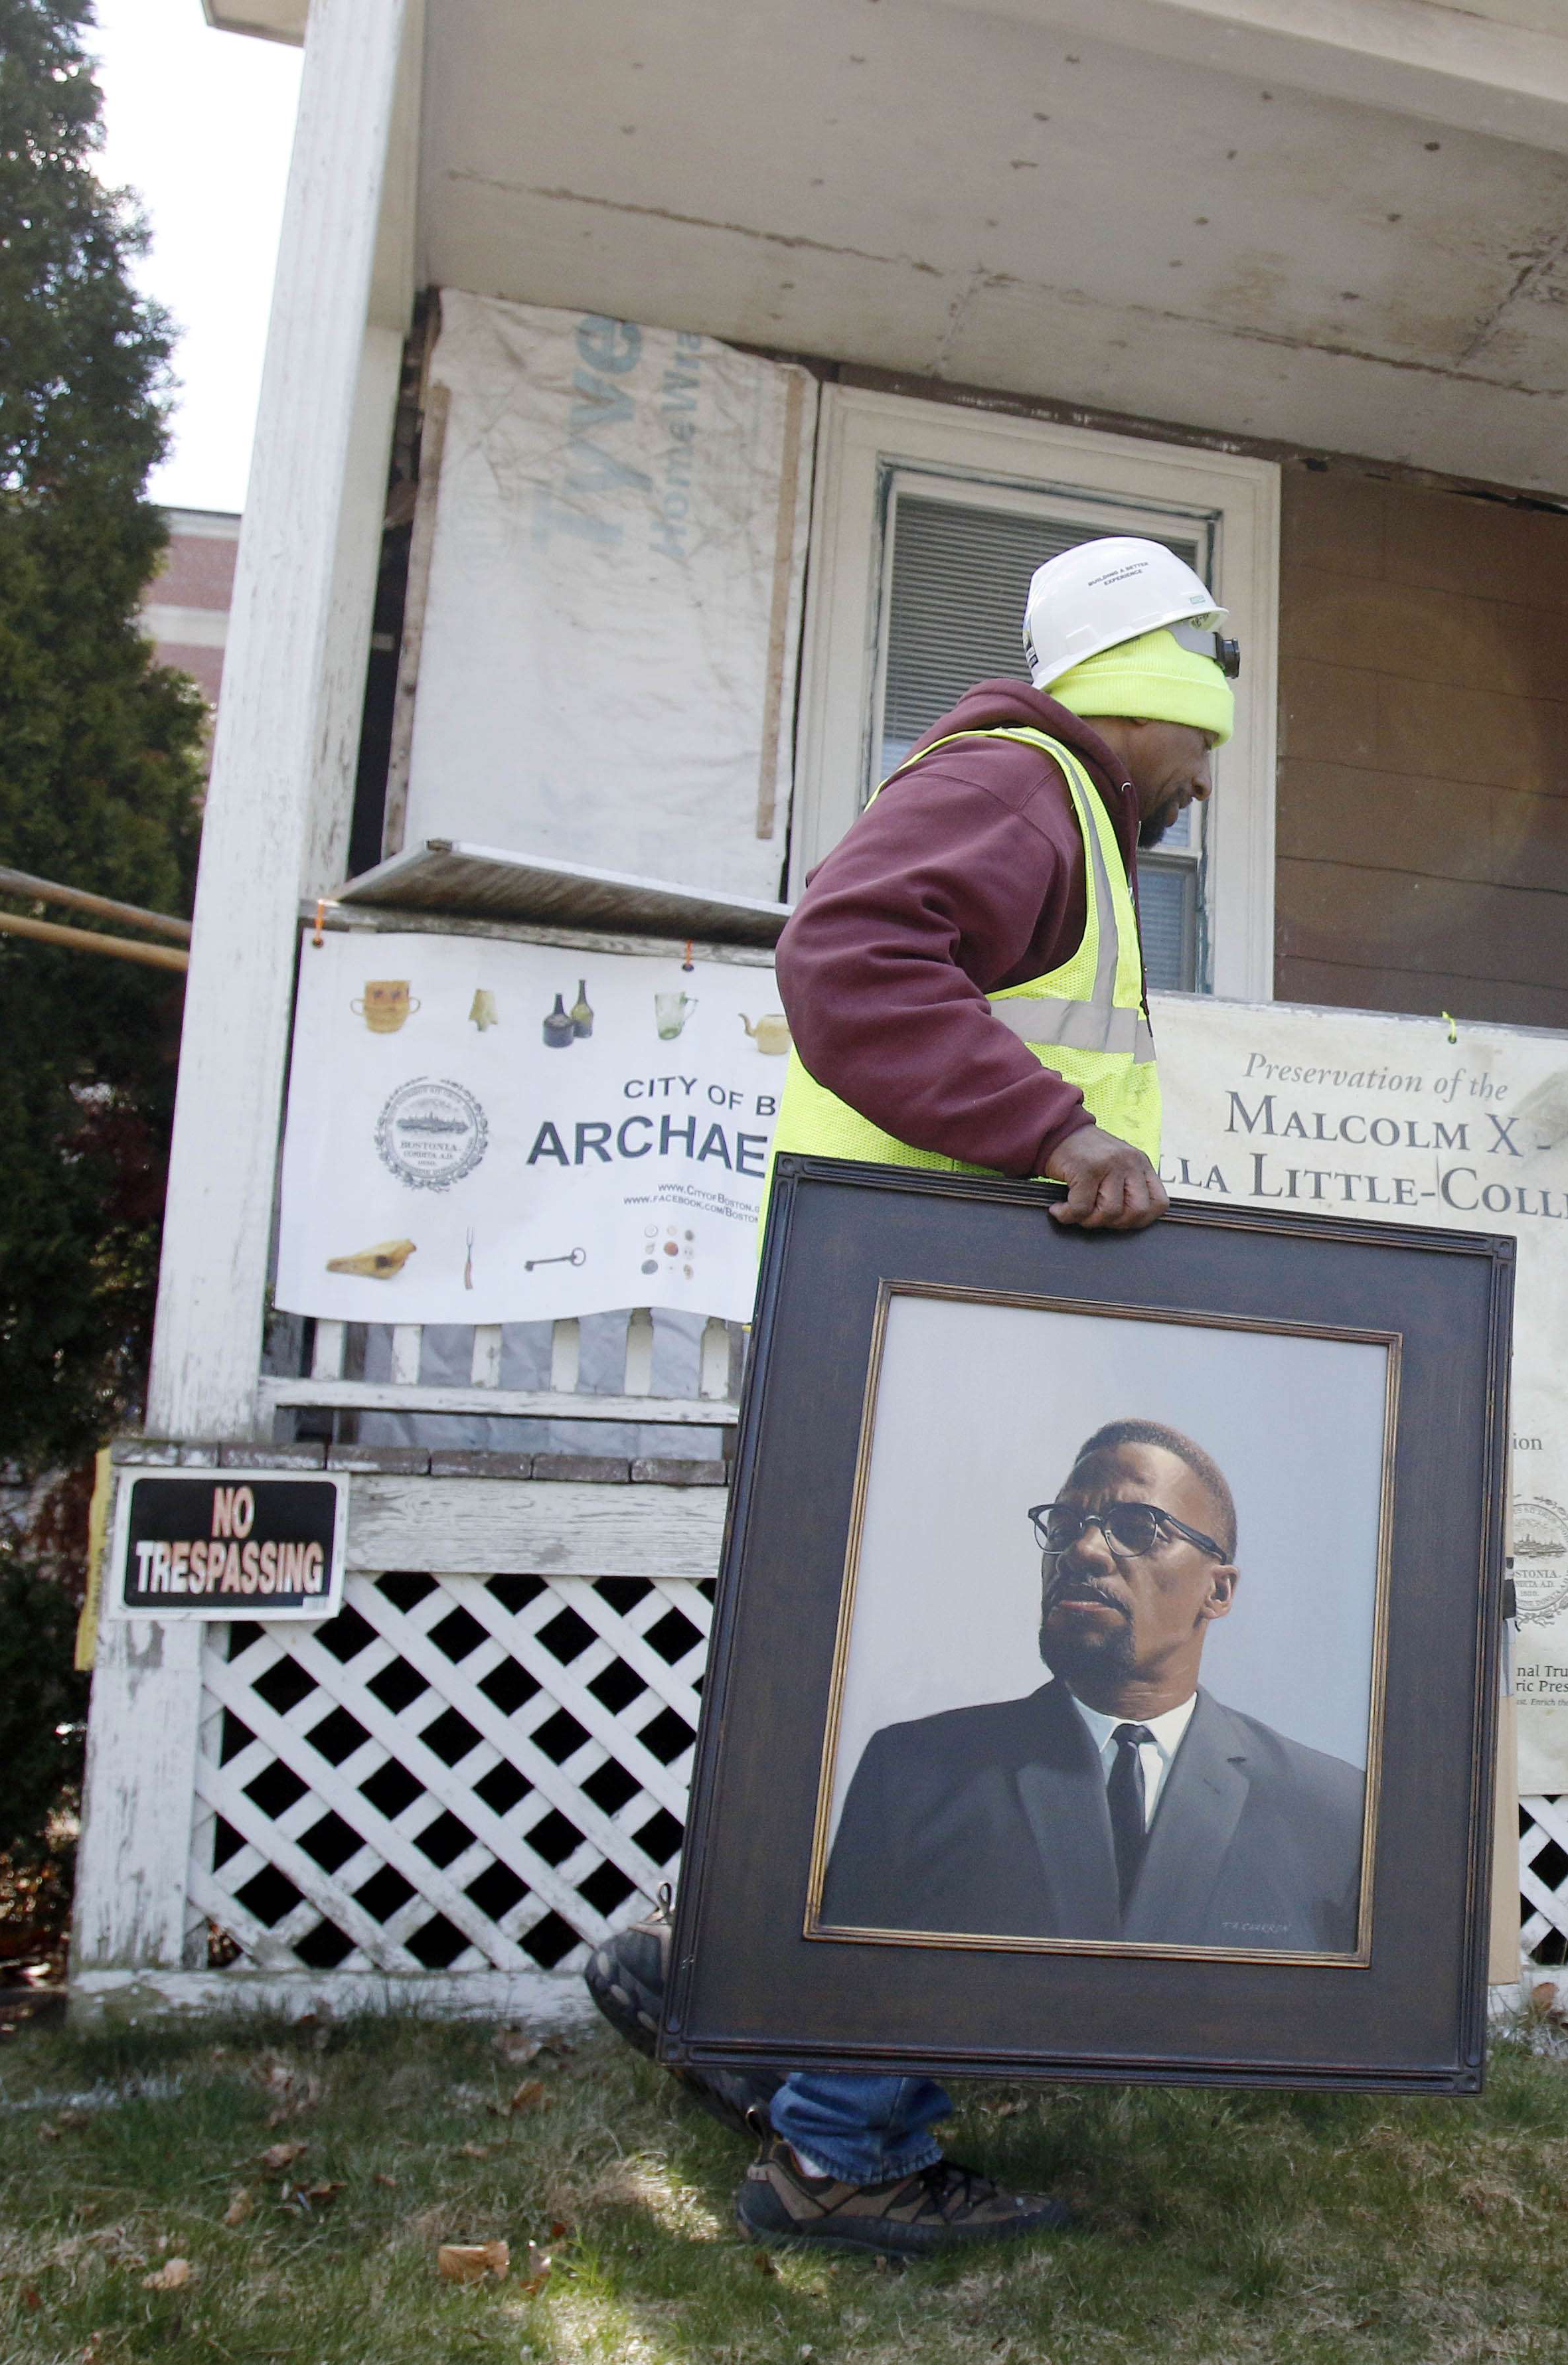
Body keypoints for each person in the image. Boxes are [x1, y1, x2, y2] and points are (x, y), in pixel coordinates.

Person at [585, 536, 1235, 2257]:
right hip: (922, 1330)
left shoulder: (1042, 810)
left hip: (915, 1323)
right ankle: (844, 2146)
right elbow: (850, 956)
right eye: (1203, 737)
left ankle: (711, 1973)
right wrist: (1054, 1131)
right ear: (1146, 693)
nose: (1205, 776)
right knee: (965, 1718)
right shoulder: (1027, 788)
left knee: (866, 1695)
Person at [819, 1417, 1364, 1952]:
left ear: (1217, 1592)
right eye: (1063, 1527)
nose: (1082, 1551)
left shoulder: (1334, 1811)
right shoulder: (912, 1775)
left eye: (1136, 1529)